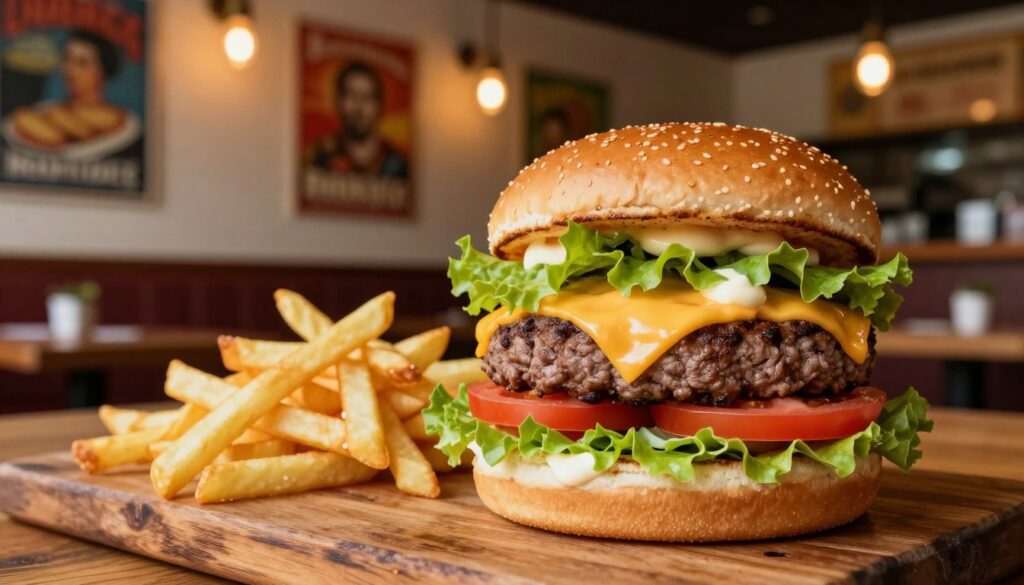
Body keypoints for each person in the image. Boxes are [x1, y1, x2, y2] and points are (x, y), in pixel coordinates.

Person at [312, 61, 408, 178]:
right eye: (351, 96)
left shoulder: (396, 162)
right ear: (339, 102)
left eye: (367, 97)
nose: (359, 107)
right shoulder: (321, 155)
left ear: (379, 105)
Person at [62, 29, 118, 107]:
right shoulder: (44, 113)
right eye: (66, 59)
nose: (69, 68)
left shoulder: (125, 118)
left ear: (103, 72)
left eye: (82, 63)